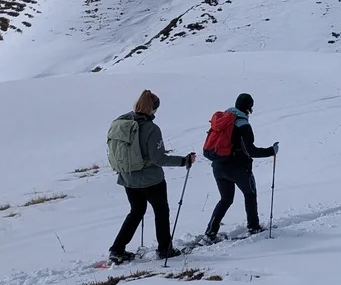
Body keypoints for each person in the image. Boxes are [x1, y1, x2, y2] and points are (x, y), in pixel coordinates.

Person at [106, 89, 195, 264]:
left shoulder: (122, 121)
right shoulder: (151, 129)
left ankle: (117, 249)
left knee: (136, 212)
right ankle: (164, 248)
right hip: (151, 180)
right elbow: (159, 158)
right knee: (161, 212)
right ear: (153, 108)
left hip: (128, 177)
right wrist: (184, 161)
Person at [203, 93, 278, 241]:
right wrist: (271, 151)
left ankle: (210, 232)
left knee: (225, 199)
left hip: (218, 166)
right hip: (238, 168)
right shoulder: (243, 125)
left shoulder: (223, 119)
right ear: (249, 108)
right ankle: (253, 226)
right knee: (250, 194)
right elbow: (251, 151)